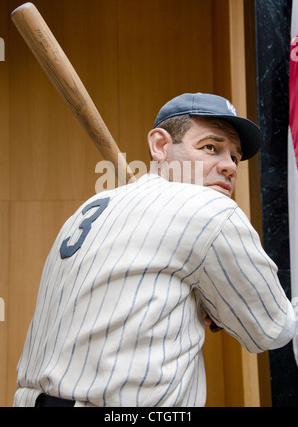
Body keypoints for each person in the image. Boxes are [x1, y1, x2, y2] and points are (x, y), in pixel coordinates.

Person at [13, 92, 296, 407]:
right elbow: (271, 330)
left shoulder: (91, 205)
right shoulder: (211, 208)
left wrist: (206, 303)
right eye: (211, 148)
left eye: (235, 157)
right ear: (161, 145)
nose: (229, 166)